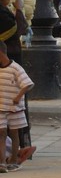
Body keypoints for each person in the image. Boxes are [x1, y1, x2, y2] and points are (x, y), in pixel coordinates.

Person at [0, 23, 33, 169]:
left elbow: (27, 84)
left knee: (13, 134)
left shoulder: (15, 68)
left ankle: (12, 158)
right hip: (2, 107)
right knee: (2, 133)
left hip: (13, 107)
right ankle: (5, 159)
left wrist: (18, 97)